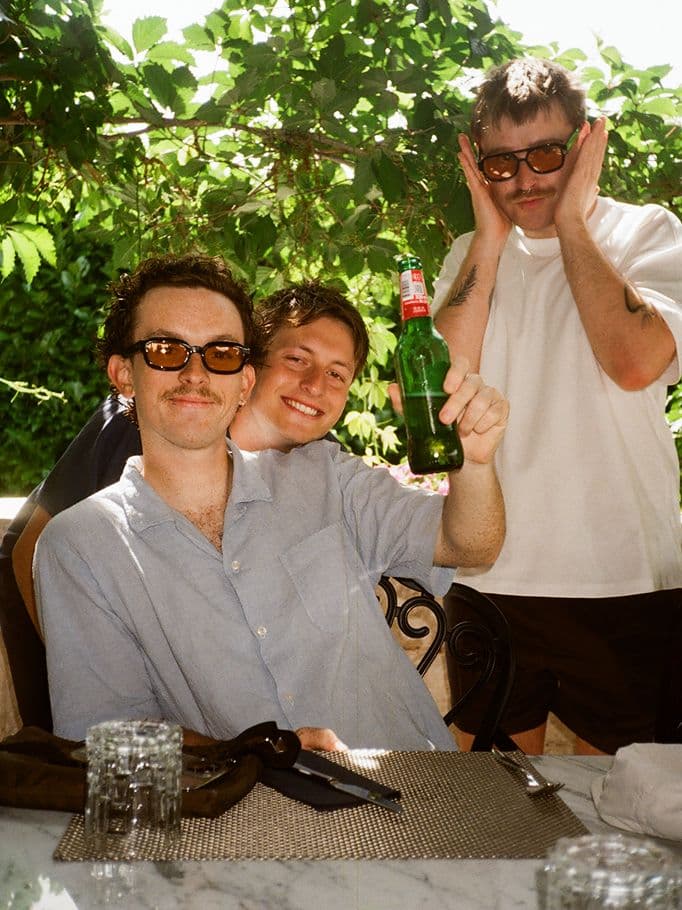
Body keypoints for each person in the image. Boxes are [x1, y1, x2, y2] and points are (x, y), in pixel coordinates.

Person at [33, 253, 509, 749]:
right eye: (166, 349)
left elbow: (470, 545)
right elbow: (108, 737)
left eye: (220, 353)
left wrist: (474, 464)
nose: (195, 373)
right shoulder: (81, 545)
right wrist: (257, 754)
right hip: (242, 816)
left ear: (244, 379)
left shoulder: (329, 478)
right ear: (124, 374)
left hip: (417, 788)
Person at [432, 56, 682, 755]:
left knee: (630, 810)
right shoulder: (469, 254)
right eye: (501, 165)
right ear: (479, 169)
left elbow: (635, 363)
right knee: (493, 806)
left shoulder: (647, 234)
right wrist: (489, 237)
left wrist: (573, 219)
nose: (526, 180)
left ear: (583, 144)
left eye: (545, 154)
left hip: (623, 575)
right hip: (490, 573)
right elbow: (444, 382)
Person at [0, 279, 370, 734]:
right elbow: (31, 550)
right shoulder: (137, 422)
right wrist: (83, 654)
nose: (312, 386)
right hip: (38, 598)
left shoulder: (316, 464)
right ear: (256, 367)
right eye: (296, 359)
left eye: (337, 373)